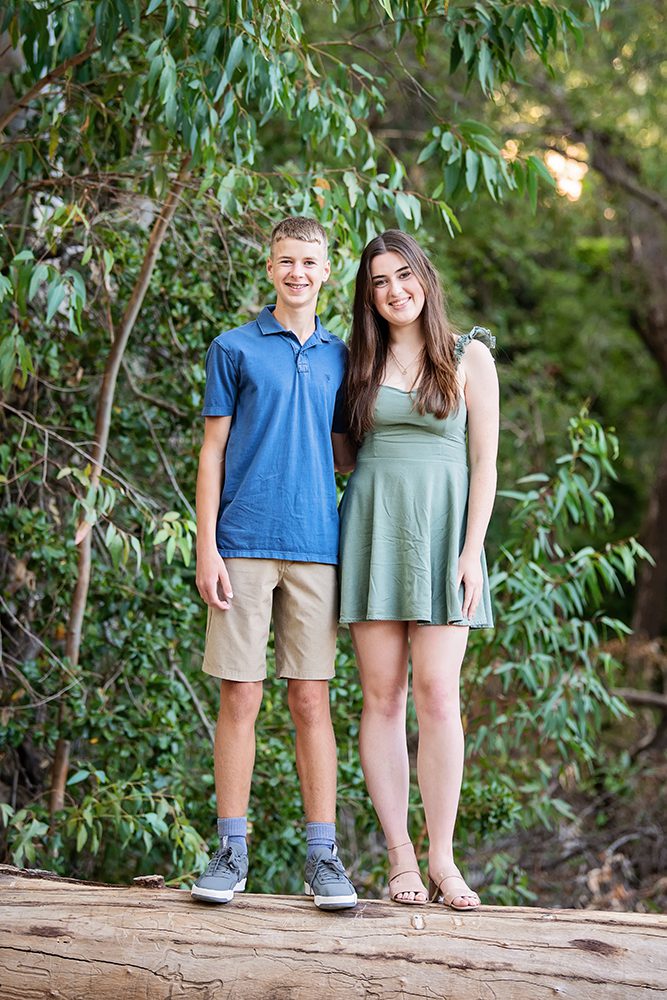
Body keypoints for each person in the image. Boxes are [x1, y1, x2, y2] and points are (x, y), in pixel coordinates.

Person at [190, 216, 357, 910]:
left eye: (308, 262)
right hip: (244, 544)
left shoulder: (345, 357)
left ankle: (325, 858)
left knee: (310, 698)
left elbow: (348, 456)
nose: (296, 272)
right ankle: (231, 851)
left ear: (326, 272)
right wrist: (207, 549)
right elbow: (210, 455)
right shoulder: (232, 348)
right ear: (269, 269)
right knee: (241, 694)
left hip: (317, 548)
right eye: (285, 260)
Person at [338, 230, 498, 910]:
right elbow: (344, 456)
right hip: (372, 537)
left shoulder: (469, 356)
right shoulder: (353, 361)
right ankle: (398, 860)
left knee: (437, 696)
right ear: (367, 295)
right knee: (382, 698)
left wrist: (469, 552)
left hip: (443, 544)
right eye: (379, 281)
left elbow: (484, 464)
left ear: (424, 280)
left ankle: (440, 859)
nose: (394, 290)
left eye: (403, 275)